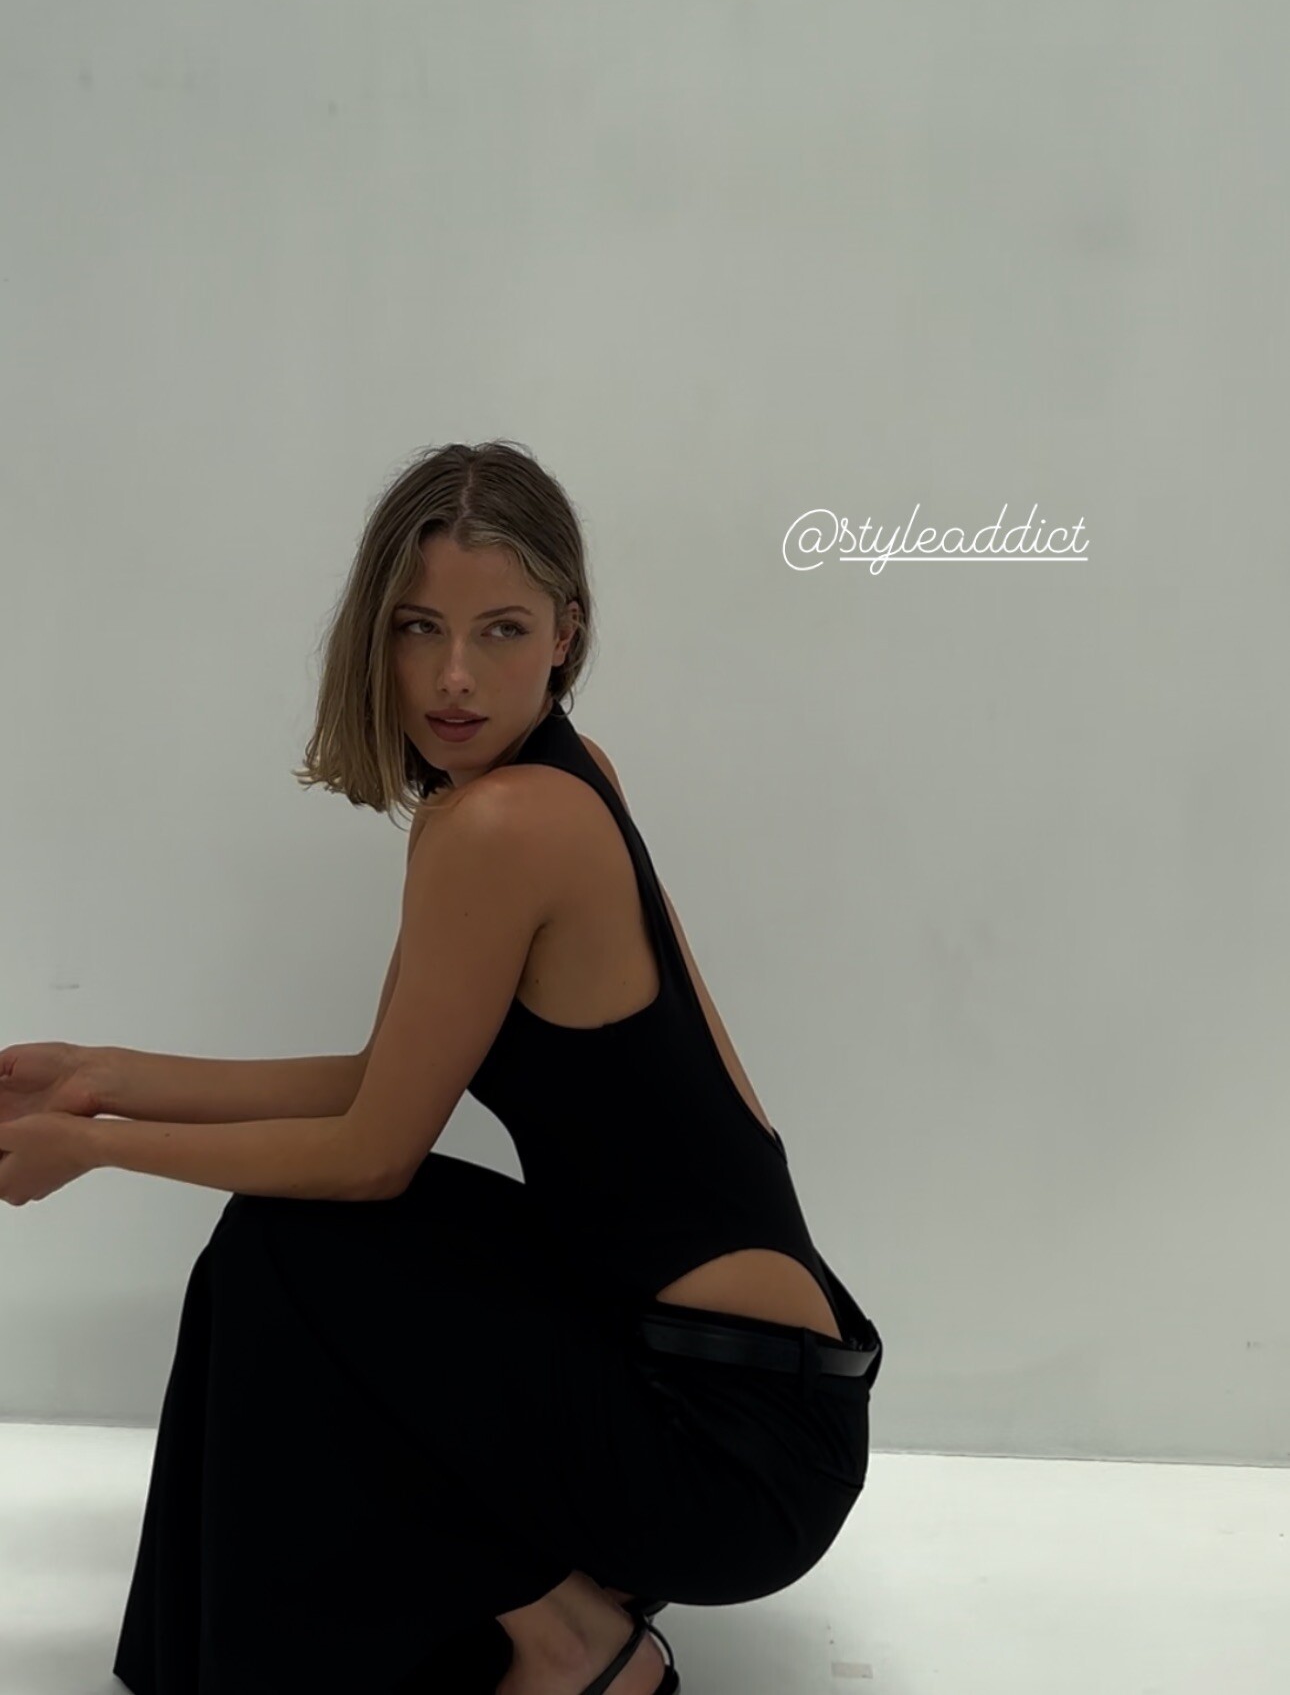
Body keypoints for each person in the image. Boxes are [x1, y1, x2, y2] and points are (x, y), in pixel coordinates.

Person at [107, 438, 884, 1695]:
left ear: (566, 635)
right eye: (418, 628)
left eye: (501, 630)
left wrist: (92, 1149)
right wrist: (98, 1079)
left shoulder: (509, 824)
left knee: (297, 1248)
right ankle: (556, 1614)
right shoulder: (549, 778)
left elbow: (370, 1154)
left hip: (731, 1444)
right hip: (733, 1382)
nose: (453, 676)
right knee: (285, 1239)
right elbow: (380, 1080)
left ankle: (579, 1645)